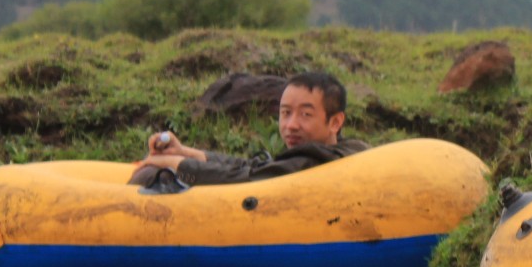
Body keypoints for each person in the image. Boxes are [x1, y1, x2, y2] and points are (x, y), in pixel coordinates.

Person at [129, 69, 370, 188]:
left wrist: (173, 165)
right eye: (285, 113)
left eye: (305, 114)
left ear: (335, 122)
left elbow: (247, 179)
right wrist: (186, 153)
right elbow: (256, 167)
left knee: (151, 177)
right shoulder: (347, 149)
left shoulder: (313, 161)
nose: (291, 125)